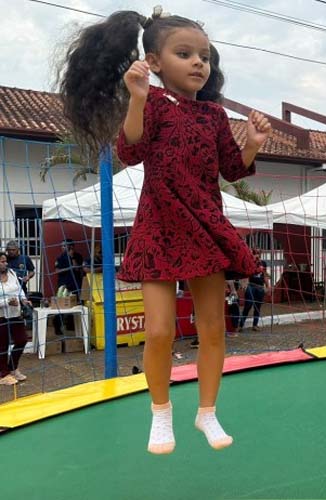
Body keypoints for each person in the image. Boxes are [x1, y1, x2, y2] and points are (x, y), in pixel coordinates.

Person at [60, 6, 272, 454]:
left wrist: (251, 144)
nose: (199, 62)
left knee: (213, 329)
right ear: (154, 62)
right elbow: (131, 149)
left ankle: (207, 412)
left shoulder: (214, 116)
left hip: (204, 225)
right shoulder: (152, 103)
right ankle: (160, 413)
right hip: (159, 225)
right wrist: (136, 98)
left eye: (204, 56)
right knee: (159, 332)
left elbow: (232, 169)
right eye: (185, 53)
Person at [0, 251, 32, 385]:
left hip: (15, 313)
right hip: (1, 316)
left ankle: (12, 368)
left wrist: (25, 301)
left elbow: (19, 290)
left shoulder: (12, 274)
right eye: (2, 261)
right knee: (2, 345)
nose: (5, 263)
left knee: (22, 340)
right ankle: (3, 375)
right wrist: (6, 302)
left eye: (5, 261)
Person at [241, 249, 270, 332]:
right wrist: (244, 284)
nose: (257, 255)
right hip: (251, 286)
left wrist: (268, 287)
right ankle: (241, 325)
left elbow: (265, 275)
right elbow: (245, 273)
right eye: (255, 253)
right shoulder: (250, 263)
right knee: (248, 305)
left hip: (260, 287)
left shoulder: (263, 263)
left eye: (258, 253)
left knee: (258, 307)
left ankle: (255, 325)